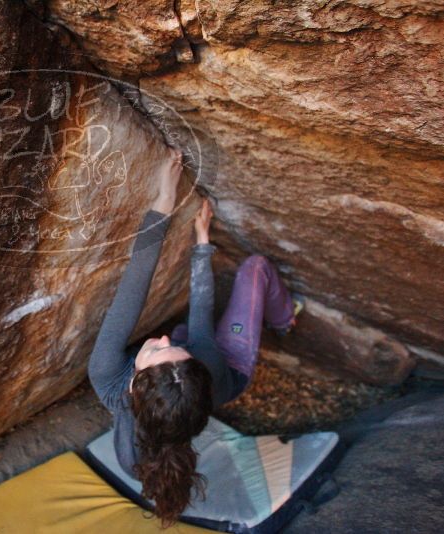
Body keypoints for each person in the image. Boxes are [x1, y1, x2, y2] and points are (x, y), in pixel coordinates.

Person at [87, 148, 301, 528]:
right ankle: (285, 319)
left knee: (187, 332)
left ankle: (279, 320)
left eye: (159, 350)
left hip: (194, 381)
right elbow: (199, 315)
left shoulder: (108, 376)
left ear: (135, 387)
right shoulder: (206, 364)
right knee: (255, 269)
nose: (164, 339)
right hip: (231, 368)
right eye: (172, 351)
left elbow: (133, 288)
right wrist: (202, 246)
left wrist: (164, 201)